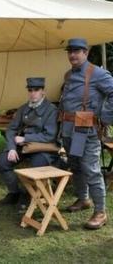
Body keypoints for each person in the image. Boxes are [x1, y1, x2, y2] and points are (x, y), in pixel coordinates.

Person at [60, 38, 113, 229]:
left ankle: (100, 212)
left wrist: (105, 117)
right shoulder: (68, 75)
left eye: (77, 51)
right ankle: (83, 199)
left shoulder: (97, 73)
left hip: (86, 130)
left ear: (86, 52)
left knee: (91, 170)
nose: (72, 55)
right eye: (70, 51)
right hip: (69, 130)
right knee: (76, 166)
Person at [0, 77, 59, 210]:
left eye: (36, 90)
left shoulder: (51, 110)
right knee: (2, 162)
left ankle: (28, 195)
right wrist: (12, 148)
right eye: (30, 90)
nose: (33, 93)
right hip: (23, 147)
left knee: (36, 167)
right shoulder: (24, 108)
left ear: (43, 91)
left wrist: (26, 138)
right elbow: (11, 129)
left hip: (42, 148)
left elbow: (50, 135)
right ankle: (14, 192)